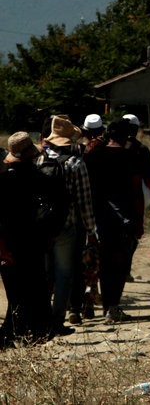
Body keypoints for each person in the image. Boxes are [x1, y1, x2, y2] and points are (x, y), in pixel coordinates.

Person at [40, 115, 97, 334]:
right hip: (67, 226)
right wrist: (91, 230)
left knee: (45, 274)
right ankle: (56, 322)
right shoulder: (76, 163)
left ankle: (41, 319)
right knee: (64, 274)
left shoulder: (39, 160)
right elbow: (84, 201)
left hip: (42, 227)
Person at [83, 119, 144, 323]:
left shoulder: (93, 154)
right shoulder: (130, 155)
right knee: (120, 264)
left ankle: (103, 305)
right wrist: (139, 219)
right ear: (127, 135)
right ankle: (112, 307)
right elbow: (137, 190)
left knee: (104, 262)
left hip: (99, 216)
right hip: (124, 217)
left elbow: (88, 188)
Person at [0, 132, 55, 345]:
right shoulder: (35, 176)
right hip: (28, 242)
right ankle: (25, 333)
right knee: (30, 289)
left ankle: (16, 333)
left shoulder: (6, 178)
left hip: (13, 243)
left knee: (16, 292)